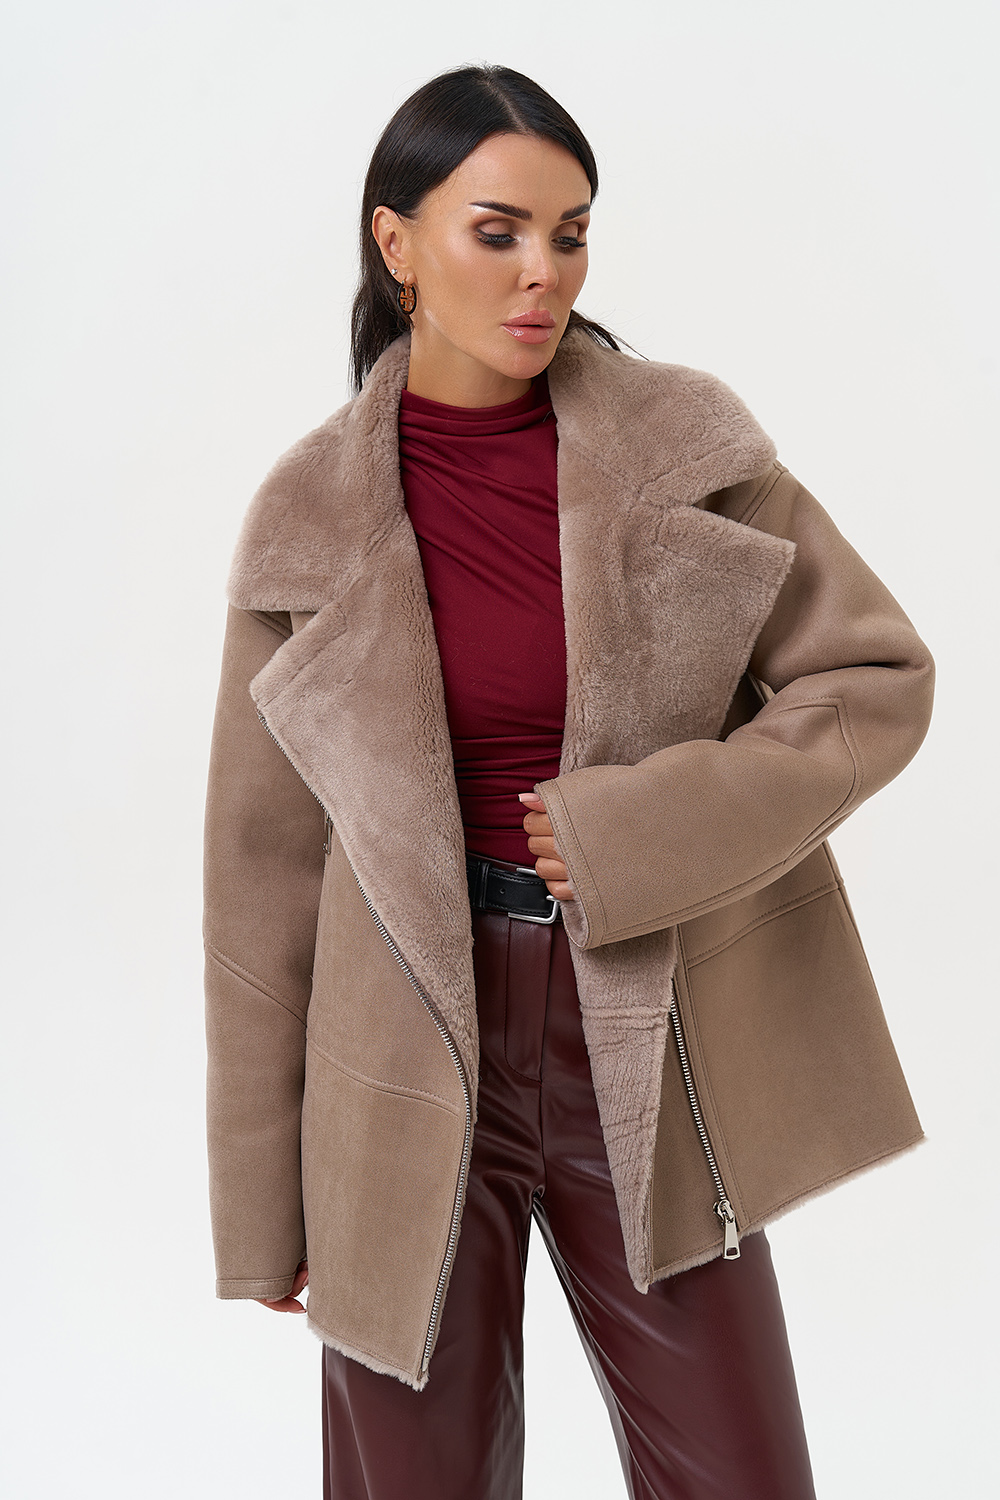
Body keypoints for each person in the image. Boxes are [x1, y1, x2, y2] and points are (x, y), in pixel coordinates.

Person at [202, 64, 934, 1500]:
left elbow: (875, 680)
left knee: (741, 1473)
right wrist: (262, 1198)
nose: (544, 271)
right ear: (397, 244)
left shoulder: (685, 448)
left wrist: (644, 834)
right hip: (398, 1055)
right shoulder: (306, 515)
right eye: (499, 232)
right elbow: (260, 877)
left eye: (572, 233)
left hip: (644, 1023)